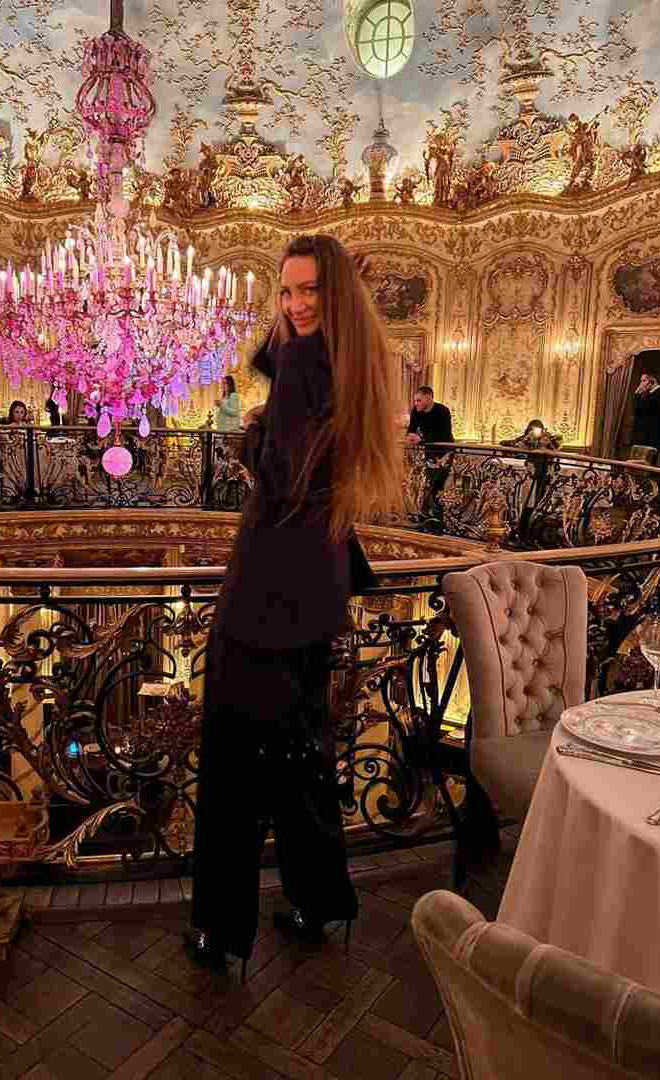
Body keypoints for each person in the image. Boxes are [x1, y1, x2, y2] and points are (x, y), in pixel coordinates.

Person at [187, 234, 399, 976]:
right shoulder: (351, 362)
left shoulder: (308, 363)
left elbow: (280, 479)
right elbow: (310, 473)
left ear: (333, 295)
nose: (295, 303)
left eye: (310, 289)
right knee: (301, 754)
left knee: (233, 765)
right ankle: (319, 899)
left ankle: (220, 930)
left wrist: (250, 434)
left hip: (267, 592)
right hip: (314, 587)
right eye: (286, 290)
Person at [631, 372, 660, 455]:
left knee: (649, 461)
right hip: (643, 437)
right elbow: (638, 412)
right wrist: (638, 395)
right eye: (641, 381)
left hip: (652, 438)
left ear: (652, 382)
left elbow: (647, 410)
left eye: (644, 381)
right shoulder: (649, 395)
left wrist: (638, 395)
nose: (641, 384)